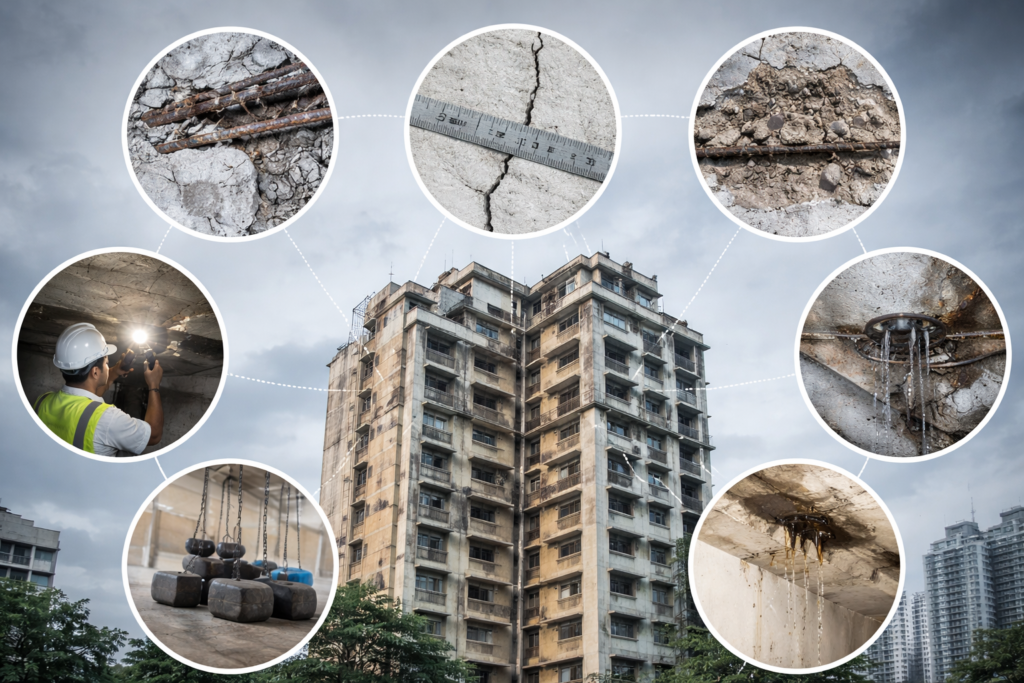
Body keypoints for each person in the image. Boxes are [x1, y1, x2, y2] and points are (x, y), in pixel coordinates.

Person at [33, 322, 164, 456]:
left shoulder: (43, 401)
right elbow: (154, 434)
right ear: (95, 372)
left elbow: (88, 406)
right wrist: (154, 385)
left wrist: (115, 371)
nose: (108, 366)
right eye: (107, 363)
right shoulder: (108, 419)